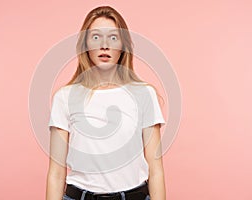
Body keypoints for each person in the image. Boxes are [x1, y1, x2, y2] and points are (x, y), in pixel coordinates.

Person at [46, 5, 166, 200]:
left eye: (112, 37)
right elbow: (56, 174)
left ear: (123, 46)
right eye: (95, 37)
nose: (104, 45)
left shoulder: (144, 94)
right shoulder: (64, 97)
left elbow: (156, 170)